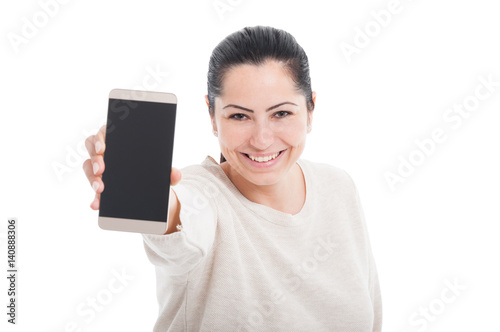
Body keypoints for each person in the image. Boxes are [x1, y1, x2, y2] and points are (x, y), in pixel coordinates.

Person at [83, 26, 382, 331]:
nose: (262, 140)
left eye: (281, 114)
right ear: (212, 116)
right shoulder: (203, 193)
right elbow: (182, 215)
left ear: (310, 109)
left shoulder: (339, 187)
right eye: (239, 116)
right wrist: (143, 185)